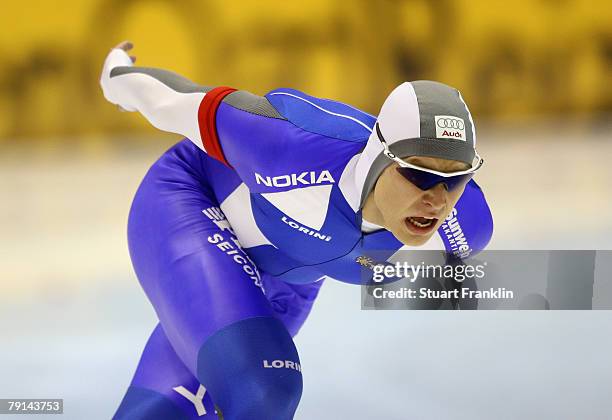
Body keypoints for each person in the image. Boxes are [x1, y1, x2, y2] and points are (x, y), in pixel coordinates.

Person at [101, 40, 493, 420]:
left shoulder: (465, 229)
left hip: (291, 274)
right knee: (264, 388)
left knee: (169, 409)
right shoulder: (290, 144)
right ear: (379, 157)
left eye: (455, 179)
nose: (436, 199)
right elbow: (175, 101)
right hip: (189, 201)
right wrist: (117, 76)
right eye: (417, 174)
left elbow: (500, 285)